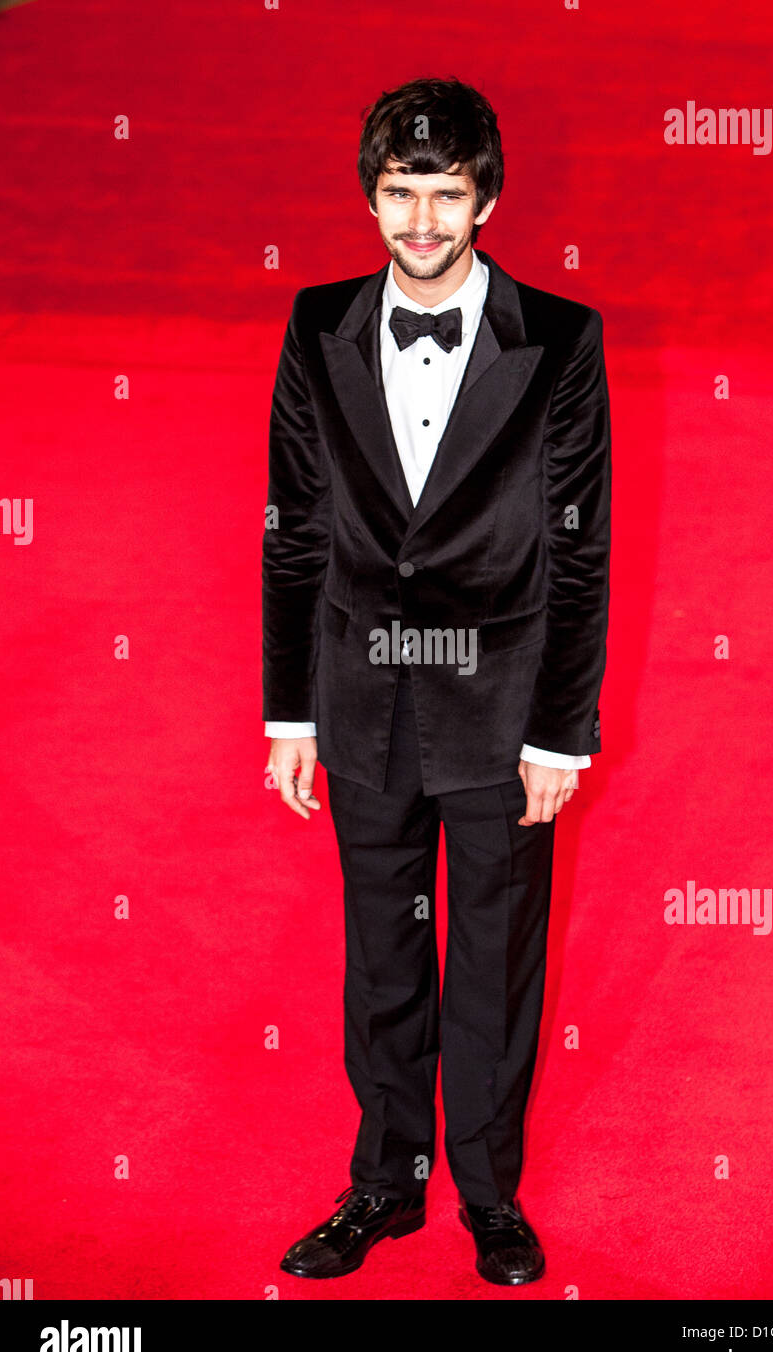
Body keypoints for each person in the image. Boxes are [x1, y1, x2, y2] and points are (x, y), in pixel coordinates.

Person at [263, 76, 611, 1286]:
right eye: (400, 193)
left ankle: (490, 1194)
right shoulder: (315, 326)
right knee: (380, 959)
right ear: (370, 198)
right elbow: (294, 529)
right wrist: (290, 711)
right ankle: (383, 1183)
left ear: (487, 200)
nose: (420, 219)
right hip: (361, 702)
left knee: (493, 962)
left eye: (444, 194)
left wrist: (561, 732)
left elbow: (579, 544)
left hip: (500, 709)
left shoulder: (560, 339)